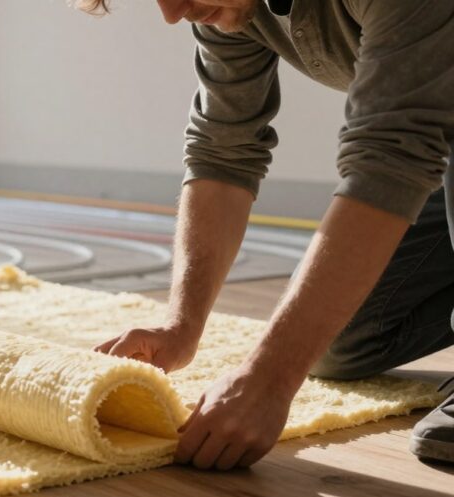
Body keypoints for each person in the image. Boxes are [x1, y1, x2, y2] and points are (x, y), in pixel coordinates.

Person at [83, 0, 454, 469]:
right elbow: (222, 151)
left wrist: (268, 378)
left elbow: (390, 159)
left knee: (288, 355)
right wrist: (181, 324)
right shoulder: (227, 6)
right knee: (338, 344)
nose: (172, 13)